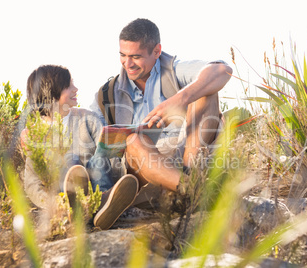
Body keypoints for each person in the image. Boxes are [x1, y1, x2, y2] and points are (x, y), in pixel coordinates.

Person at [90, 18, 232, 226]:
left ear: (156, 51)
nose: (127, 64)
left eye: (136, 57)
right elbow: (86, 128)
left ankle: (189, 181)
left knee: (206, 91)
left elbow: (222, 70)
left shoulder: (174, 70)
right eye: (123, 55)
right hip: (144, 173)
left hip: (188, 156)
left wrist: (178, 100)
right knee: (134, 142)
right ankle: (193, 191)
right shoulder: (107, 94)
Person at [22, 65, 139, 227]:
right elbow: (32, 183)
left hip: (99, 187)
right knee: (71, 161)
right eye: (68, 86)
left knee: (98, 159)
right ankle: (90, 209)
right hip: (65, 198)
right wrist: (52, 204)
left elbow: (110, 156)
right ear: (52, 92)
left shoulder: (86, 118)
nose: (75, 89)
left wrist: (122, 179)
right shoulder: (35, 135)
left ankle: (104, 204)